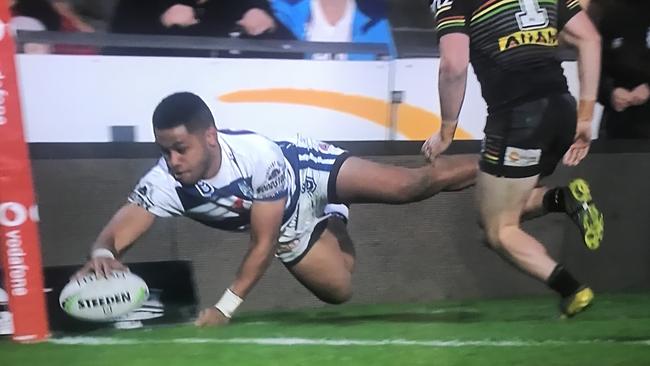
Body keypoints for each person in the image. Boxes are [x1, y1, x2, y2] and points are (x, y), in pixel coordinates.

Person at [75, 92, 478, 326]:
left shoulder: (256, 157)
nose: (173, 160)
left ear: (210, 137)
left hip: (304, 171)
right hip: (287, 222)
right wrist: (103, 255)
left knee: (409, 186)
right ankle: (335, 214)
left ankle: (505, 164)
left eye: (182, 148)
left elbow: (261, 242)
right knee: (341, 289)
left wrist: (224, 308)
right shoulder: (164, 182)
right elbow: (116, 231)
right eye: (165, 151)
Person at [425, 0, 604, 317]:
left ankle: (573, 290)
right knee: (492, 211)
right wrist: (586, 115)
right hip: (561, 109)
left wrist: (446, 131)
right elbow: (590, 38)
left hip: (519, 119)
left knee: (499, 230)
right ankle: (564, 200)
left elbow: (453, 65)